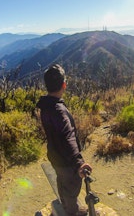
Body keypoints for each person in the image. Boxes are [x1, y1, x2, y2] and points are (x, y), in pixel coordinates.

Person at [36, 64, 92, 216]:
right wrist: (79, 163)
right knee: (71, 188)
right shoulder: (58, 110)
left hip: (55, 155)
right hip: (66, 161)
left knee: (62, 182)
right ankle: (72, 211)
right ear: (64, 85)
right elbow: (69, 138)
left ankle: (68, 206)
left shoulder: (46, 105)